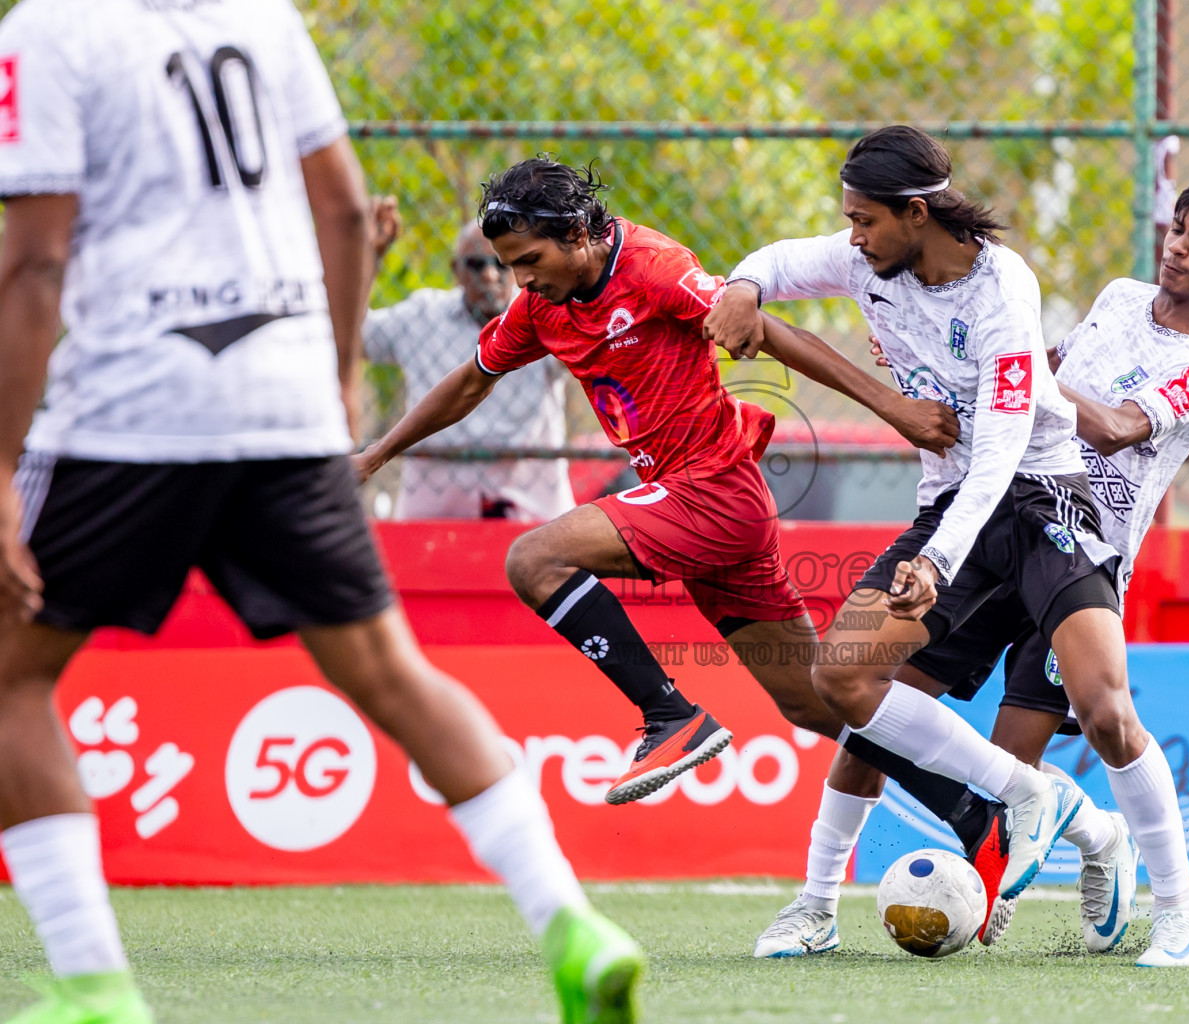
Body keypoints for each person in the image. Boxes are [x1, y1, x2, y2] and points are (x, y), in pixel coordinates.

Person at [0, 3, 638, 1022]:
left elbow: (33, 262)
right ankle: (573, 923)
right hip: (282, 404)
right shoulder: (260, 17)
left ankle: (94, 987)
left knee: (9, 679)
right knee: (389, 670)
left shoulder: (52, 28)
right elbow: (343, 210)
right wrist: (336, 373)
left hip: (134, 409)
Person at [752, 176, 1189, 964]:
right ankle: (816, 905)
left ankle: (1179, 915)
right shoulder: (1115, 297)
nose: (1178, 246)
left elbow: (1109, 428)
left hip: (1083, 535)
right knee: (871, 719)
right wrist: (984, 365)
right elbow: (1037, 363)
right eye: (1177, 228)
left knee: (1104, 721)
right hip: (998, 509)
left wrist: (1010, 370)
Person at [353, 155, 982, 816]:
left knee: (533, 558)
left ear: (576, 234)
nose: (521, 279)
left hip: (715, 494)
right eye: (511, 265)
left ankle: (670, 715)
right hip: (703, 511)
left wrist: (891, 405)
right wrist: (375, 454)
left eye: (529, 259)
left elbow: (764, 330)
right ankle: (971, 807)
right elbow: (470, 380)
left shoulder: (652, 268)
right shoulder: (541, 305)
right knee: (816, 703)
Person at [705, 125, 1121, 948]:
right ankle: (826, 906)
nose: (852, 238)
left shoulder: (1004, 292)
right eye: (849, 223)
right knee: (846, 682)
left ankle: (1121, 854)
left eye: (864, 221)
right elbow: (780, 262)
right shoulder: (871, 260)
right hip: (952, 506)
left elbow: (1001, 450)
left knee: (1104, 710)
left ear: (917, 212)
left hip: (1039, 502)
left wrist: (935, 560)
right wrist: (745, 285)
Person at [365, 200, 575, 521]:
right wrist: (368, 257)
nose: (490, 275)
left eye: (501, 264)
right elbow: (353, 337)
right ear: (456, 270)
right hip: (434, 504)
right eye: (476, 264)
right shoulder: (423, 316)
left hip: (532, 501)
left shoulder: (545, 310)